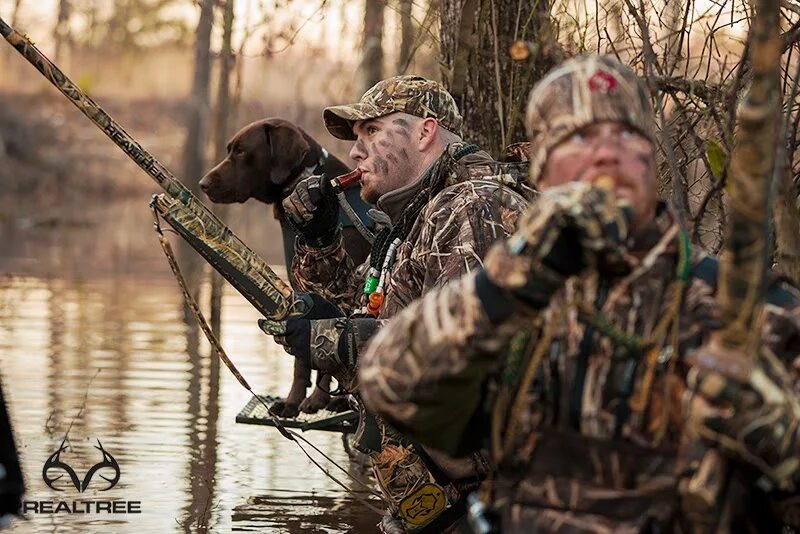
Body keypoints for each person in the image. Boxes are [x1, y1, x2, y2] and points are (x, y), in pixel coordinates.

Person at [358, 55, 800, 532]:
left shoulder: (749, 311)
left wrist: (771, 431)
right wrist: (517, 274)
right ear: (543, 173)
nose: (606, 154)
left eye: (626, 135)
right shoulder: (515, 311)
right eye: (578, 138)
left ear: (649, 162)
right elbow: (390, 386)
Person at [260, 75, 531, 532]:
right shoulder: (410, 222)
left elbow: (472, 370)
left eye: (372, 131)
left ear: (425, 133)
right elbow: (363, 311)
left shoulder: (475, 208)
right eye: (356, 138)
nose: (355, 152)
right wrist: (320, 238)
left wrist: (350, 344)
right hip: (440, 511)